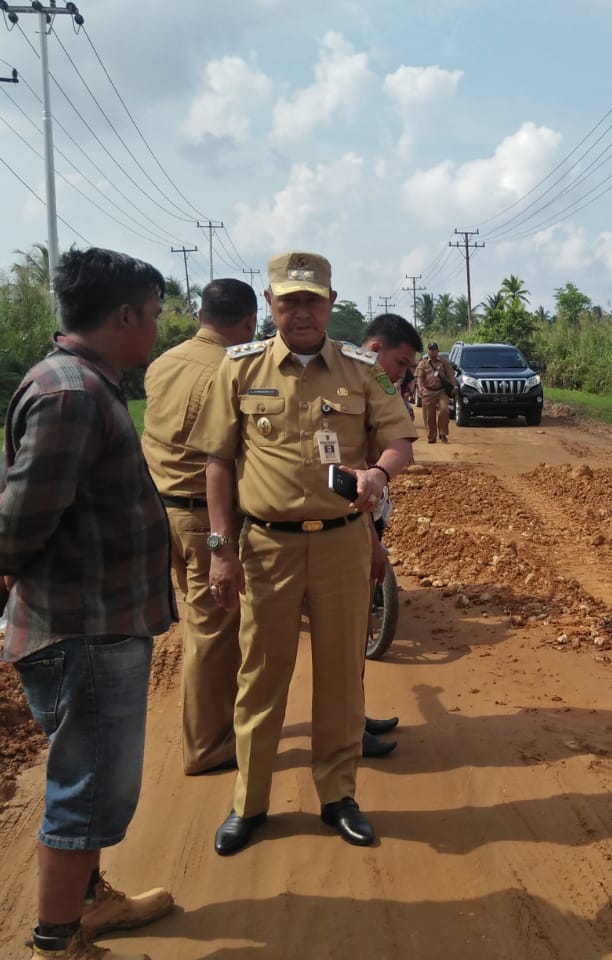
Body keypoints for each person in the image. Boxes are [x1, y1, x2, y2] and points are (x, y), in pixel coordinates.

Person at [0, 248, 177, 960]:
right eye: (156, 316)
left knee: (91, 772)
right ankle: (58, 941)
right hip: (86, 630)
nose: (157, 331)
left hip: (90, 618)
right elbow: (22, 518)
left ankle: (90, 901)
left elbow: (42, 511)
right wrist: (2, 570)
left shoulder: (74, 381)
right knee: (87, 786)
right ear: (126, 315)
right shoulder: (74, 394)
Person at [188, 251, 416, 856]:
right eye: (289, 301)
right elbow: (216, 461)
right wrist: (220, 548)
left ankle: (338, 796)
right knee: (261, 676)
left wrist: (379, 474)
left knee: (341, 676)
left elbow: (398, 440)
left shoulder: (362, 370)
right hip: (265, 547)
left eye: (313, 300)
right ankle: (250, 803)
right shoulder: (239, 369)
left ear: (331, 303)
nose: (302, 312)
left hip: (341, 543)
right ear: (271, 305)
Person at [141, 279, 256, 776]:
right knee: (212, 632)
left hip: (159, 511)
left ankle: (219, 725)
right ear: (251, 322)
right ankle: (208, 746)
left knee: (204, 623)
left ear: (200, 314)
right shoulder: (232, 371)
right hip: (206, 519)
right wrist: (224, 541)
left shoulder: (163, 362)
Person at [357, 313, 424, 756]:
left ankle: (350, 721)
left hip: (366, 502)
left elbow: (401, 443)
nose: (403, 374)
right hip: (337, 516)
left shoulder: (380, 386)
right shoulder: (345, 377)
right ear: (377, 350)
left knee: (348, 638)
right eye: (401, 363)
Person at [415, 340, 456, 443]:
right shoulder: (423, 363)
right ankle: (431, 436)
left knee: (444, 410)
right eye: (430, 350)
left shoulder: (444, 362)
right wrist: (420, 387)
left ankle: (443, 434)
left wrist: (454, 386)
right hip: (428, 391)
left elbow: (451, 375)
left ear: (438, 351)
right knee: (429, 415)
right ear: (428, 351)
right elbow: (419, 377)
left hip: (441, 391)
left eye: (434, 350)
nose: (432, 352)